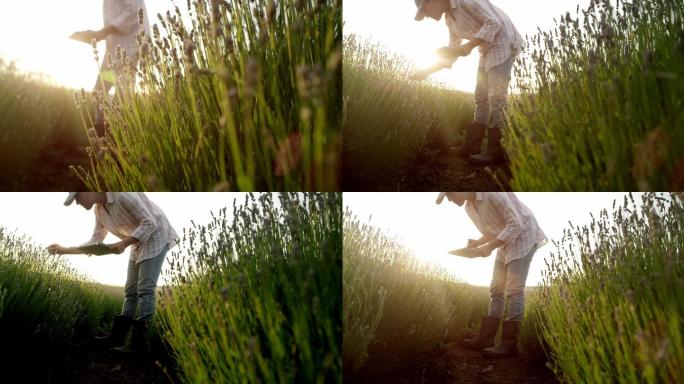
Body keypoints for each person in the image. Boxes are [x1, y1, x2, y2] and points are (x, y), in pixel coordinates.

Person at [47, 192, 178, 354]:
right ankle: (116, 338)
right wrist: (64, 250)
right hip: (135, 241)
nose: (77, 203)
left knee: (145, 289)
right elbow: (95, 242)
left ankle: (140, 345)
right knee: (130, 290)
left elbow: (149, 223)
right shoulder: (99, 211)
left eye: (78, 198)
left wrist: (124, 243)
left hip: (156, 234)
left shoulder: (123, 195)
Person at [411, 0, 524, 165]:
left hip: (504, 42)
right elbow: (452, 53)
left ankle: (497, 150)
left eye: (424, 11)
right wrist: (425, 72)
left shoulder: (466, 2)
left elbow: (494, 23)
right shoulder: (450, 21)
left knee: (497, 97)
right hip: (485, 48)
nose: (426, 16)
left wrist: (468, 47)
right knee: (481, 97)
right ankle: (472, 146)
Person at [436, 192, 546, 357]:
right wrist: (478, 243)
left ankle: (509, 345)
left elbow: (515, 225)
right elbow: (494, 229)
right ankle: (486, 339)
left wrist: (488, 247)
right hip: (505, 241)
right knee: (496, 288)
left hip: (524, 236)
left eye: (449, 195)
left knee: (514, 289)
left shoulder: (492, 194)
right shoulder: (469, 207)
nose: (450, 200)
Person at [71, 0, 151, 137]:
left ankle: (119, 138)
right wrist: (95, 35)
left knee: (122, 95)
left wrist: (99, 34)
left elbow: (133, 11)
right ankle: (104, 135)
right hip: (113, 52)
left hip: (130, 48)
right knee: (100, 90)